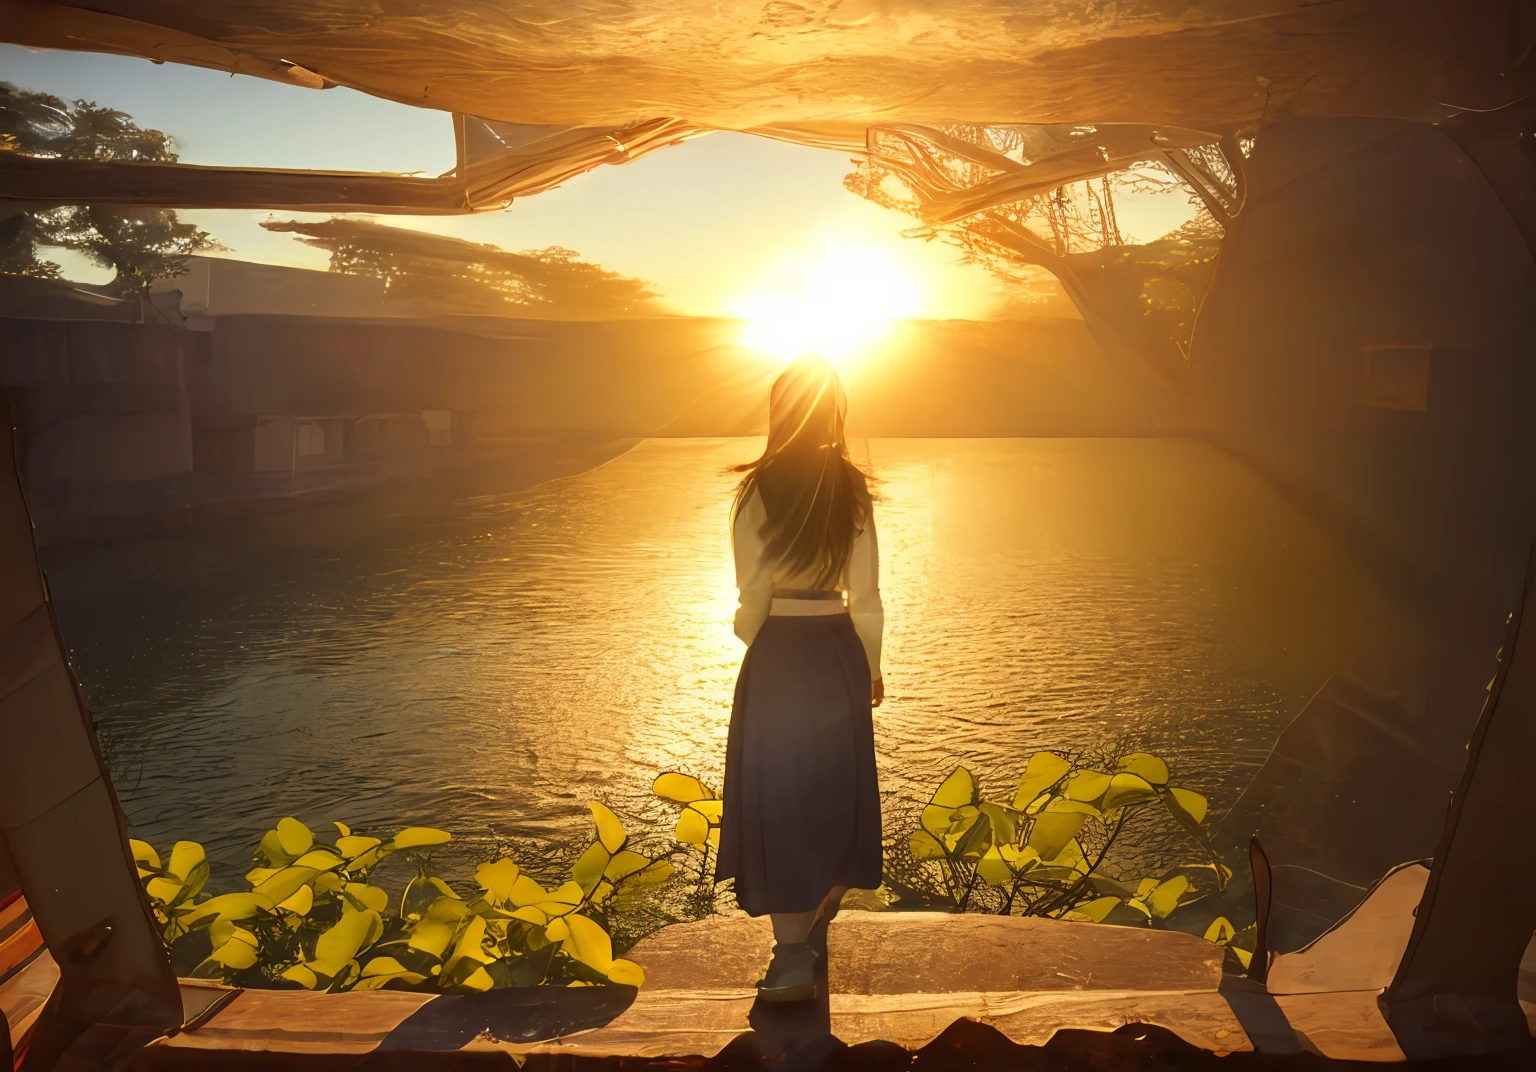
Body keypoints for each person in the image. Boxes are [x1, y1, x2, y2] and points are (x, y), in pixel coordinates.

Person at [715, 353, 884, 1003]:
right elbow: (866, 593)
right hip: (839, 648)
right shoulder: (853, 488)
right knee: (833, 788)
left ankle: (790, 957)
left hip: (779, 653)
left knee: (780, 796)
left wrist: (759, 638)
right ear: (834, 412)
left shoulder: (755, 488)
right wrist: (871, 664)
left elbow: (749, 593)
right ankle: (818, 919)